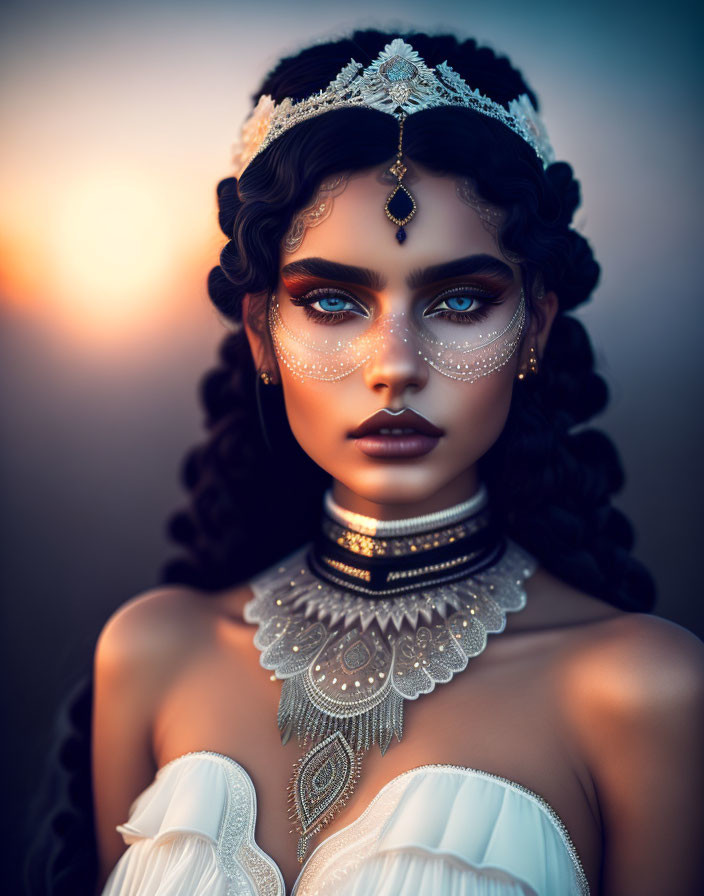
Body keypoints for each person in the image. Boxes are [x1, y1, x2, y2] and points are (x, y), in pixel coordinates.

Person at [36, 29, 704, 896]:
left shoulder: (640, 693)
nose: (395, 363)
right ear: (260, 333)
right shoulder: (153, 653)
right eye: (332, 301)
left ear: (534, 328)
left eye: (461, 299)